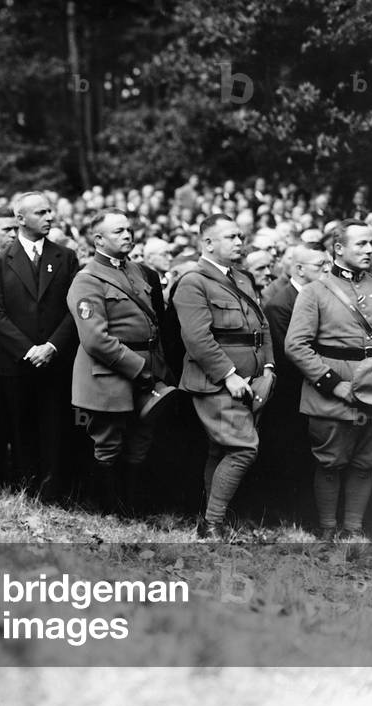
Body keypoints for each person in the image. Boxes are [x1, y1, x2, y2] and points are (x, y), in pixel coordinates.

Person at [285, 220, 372, 540]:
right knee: (330, 462)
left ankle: (353, 530)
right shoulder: (314, 291)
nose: (369, 249)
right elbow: (296, 346)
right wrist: (335, 385)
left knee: (366, 463)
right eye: (360, 244)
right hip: (332, 392)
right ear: (338, 248)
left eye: (371, 243)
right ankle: (327, 532)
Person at [172, 214, 276, 539]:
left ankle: (214, 517)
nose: (238, 243)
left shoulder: (243, 279)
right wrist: (228, 374)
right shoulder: (193, 281)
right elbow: (198, 339)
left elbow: (262, 328)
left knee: (222, 450)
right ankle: (211, 524)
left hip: (252, 380)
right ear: (207, 243)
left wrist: (269, 369)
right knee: (243, 448)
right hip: (217, 383)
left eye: (240, 237)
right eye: (230, 237)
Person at [67, 209, 170, 514]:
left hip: (148, 367)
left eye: (128, 230)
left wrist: (157, 367)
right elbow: (95, 339)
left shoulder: (138, 272)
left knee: (141, 440)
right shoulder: (87, 280)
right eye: (118, 232)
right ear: (98, 239)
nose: (127, 235)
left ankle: (132, 508)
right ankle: (109, 512)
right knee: (108, 443)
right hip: (111, 372)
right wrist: (139, 369)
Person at [0, 191, 79, 500]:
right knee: (21, 428)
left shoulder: (65, 257)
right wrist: (29, 350)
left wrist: (51, 347)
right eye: (41, 212)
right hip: (17, 362)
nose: (49, 217)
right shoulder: (0, 262)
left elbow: (73, 309)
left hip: (55, 361)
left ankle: (54, 493)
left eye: (50, 211)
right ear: (21, 219)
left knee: (55, 428)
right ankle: (27, 489)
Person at [260, 243, 328, 522]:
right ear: (299, 269)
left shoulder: (322, 296)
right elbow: (290, 356)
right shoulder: (280, 305)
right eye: (319, 266)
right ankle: (290, 515)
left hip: (314, 386)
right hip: (293, 392)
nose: (327, 270)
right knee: (292, 452)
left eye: (328, 264)